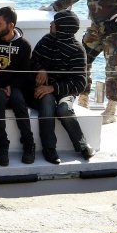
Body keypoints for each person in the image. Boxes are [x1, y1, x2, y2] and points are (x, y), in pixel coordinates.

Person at [30, 11, 96, 164]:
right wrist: (41, 69)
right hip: (45, 89)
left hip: (65, 91)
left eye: (54, 23)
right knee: (47, 103)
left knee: (63, 109)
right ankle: (49, 149)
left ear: (63, 27)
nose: (51, 24)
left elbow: (80, 82)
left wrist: (53, 88)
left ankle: (82, 145)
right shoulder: (46, 40)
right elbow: (33, 61)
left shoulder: (77, 50)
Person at [0, 7, 35, 166]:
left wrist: (11, 86)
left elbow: (25, 73)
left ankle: (28, 143)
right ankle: (2, 144)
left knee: (18, 100)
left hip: (14, 86)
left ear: (11, 25)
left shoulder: (24, 46)